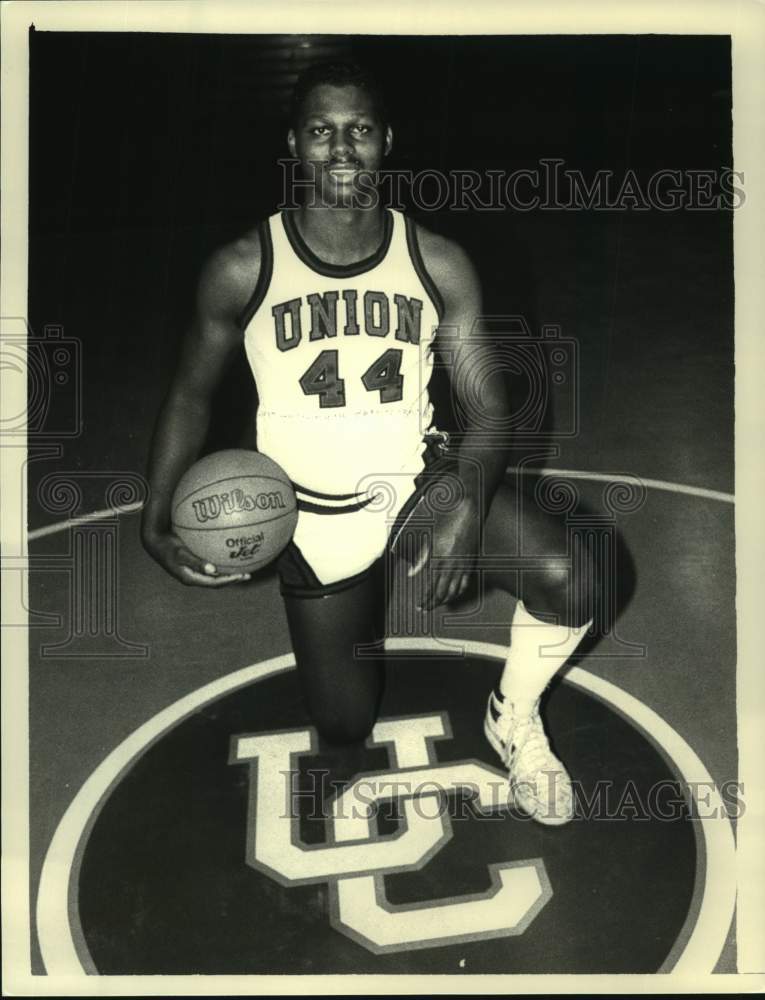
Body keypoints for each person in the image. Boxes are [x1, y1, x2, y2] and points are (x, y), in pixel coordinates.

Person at [141, 60, 598, 826]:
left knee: (571, 577)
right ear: (294, 143)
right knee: (345, 729)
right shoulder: (241, 267)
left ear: (386, 139)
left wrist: (463, 508)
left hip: (416, 484)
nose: (341, 149)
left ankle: (511, 716)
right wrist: (155, 517)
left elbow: (490, 407)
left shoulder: (437, 260)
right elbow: (189, 395)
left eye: (358, 130)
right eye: (321, 131)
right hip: (305, 513)